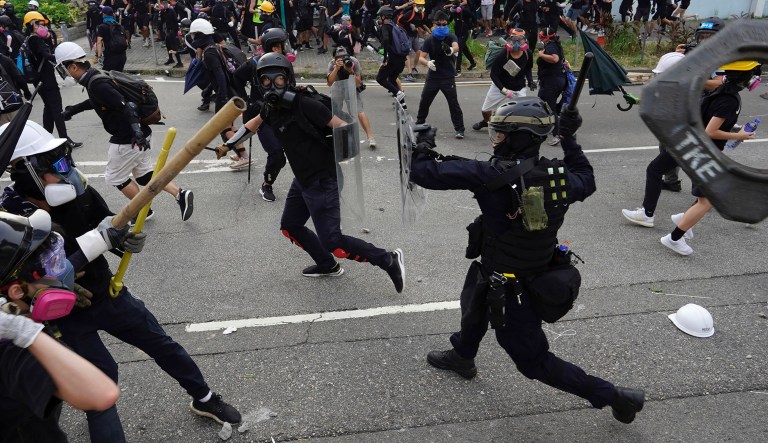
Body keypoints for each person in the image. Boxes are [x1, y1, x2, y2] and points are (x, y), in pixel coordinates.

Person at [409, 96, 646, 424]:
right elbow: (586, 178)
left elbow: (425, 172)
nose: (497, 139)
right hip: (520, 269)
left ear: (519, 137)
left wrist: (421, 143)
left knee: (533, 362)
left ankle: (613, 396)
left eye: (503, 133)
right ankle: (463, 355)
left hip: (512, 290)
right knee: (474, 301)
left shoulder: (488, 175)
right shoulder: (560, 176)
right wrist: (569, 137)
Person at [1, 121, 242, 441]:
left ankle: (206, 398)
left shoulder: (78, 193)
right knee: (102, 382)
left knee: (161, 343)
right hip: (63, 317)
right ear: (24, 172)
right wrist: (92, 247)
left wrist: (120, 240)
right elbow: (34, 282)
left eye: (66, 158)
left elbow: (109, 227)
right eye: (56, 164)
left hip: (106, 292)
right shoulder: (12, 225)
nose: (67, 170)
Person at [222, 53, 406, 290]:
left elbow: (343, 127)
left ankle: (388, 259)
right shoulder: (270, 107)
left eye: (277, 79)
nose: (272, 85)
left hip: (323, 179)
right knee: (291, 225)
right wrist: (227, 144)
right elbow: (253, 125)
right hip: (303, 179)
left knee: (334, 241)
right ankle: (326, 264)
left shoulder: (305, 104)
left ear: (287, 78)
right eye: (266, 81)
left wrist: (329, 151)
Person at [1, 211, 121, 442]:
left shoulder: (19, 305)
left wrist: (98, 241)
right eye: (51, 265)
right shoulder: (16, 349)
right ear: (16, 292)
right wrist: (23, 332)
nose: (62, 271)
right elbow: (101, 395)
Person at [624, 62, 762, 255]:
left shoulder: (720, 92)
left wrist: (734, 129)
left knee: (700, 191)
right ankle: (674, 237)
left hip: (687, 143)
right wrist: (739, 136)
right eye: (755, 74)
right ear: (747, 78)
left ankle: (678, 219)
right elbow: (711, 131)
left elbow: (708, 121)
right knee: (707, 199)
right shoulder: (730, 100)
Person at [55, 42, 194, 222]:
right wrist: (73, 110)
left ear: (73, 66)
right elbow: (101, 100)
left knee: (115, 177)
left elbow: (127, 106)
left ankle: (141, 210)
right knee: (144, 176)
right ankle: (180, 194)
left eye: (63, 69)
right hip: (140, 135)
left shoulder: (96, 83)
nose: (64, 74)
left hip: (128, 139)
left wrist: (136, 133)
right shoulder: (96, 76)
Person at [232, 27, 289, 199]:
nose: (284, 47)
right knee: (277, 155)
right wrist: (247, 101)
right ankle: (267, 185)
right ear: (273, 47)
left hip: (283, 115)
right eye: (281, 45)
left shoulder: (284, 62)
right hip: (262, 117)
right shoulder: (254, 63)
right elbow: (236, 78)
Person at [22, 11, 82, 150]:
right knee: (56, 110)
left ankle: (46, 138)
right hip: (46, 80)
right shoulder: (34, 40)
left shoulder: (34, 39)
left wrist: (49, 38)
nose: (43, 26)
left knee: (49, 109)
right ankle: (64, 140)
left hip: (42, 80)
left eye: (43, 23)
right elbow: (46, 55)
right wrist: (64, 57)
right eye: (39, 24)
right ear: (31, 25)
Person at [414, 10, 464, 138]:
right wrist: (428, 63)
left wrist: (451, 50)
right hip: (433, 77)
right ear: (434, 25)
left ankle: (460, 129)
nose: (442, 27)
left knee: (453, 103)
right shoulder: (429, 40)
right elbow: (421, 58)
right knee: (425, 101)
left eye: (444, 24)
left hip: (448, 76)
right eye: (439, 24)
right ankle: (420, 124)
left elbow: (456, 46)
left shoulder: (450, 37)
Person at [472, 28, 531, 131]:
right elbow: (493, 74)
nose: (517, 42)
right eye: (514, 39)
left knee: (522, 112)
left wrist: (530, 80)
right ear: (509, 39)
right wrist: (503, 90)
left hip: (518, 88)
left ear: (525, 40)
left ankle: (518, 130)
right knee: (485, 110)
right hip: (501, 86)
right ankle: (486, 122)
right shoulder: (503, 55)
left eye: (520, 39)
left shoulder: (527, 53)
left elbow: (528, 68)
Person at [327, 46, 376, 147]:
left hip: (351, 86)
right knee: (334, 111)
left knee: (359, 111)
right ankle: (336, 137)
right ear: (335, 59)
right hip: (338, 87)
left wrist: (350, 71)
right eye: (339, 58)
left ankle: (370, 137)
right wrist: (336, 69)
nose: (343, 60)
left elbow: (358, 83)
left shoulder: (354, 62)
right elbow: (329, 83)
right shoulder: (332, 64)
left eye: (345, 57)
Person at [536, 26, 566, 146]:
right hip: (552, 80)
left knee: (549, 108)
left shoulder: (551, 46)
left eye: (542, 36)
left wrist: (541, 55)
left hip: (552, 82)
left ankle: (557, 134)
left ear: (548, 37)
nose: (540, 38)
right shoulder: (552, 44)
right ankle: (548, 126)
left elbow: (555, 59)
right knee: (542, 103)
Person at [373, 5, 408, 109]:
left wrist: (384, 59)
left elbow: (386, 41)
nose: (379, 18)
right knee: (392, 80)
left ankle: (398, 92)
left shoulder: (385, 27)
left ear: (384, 17)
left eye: (380, 16)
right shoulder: (395, 26)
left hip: (392, 59)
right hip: (401, 59)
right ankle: (403, 104)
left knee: (380, 78)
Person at [0, 52, 31, 123]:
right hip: (13, 101)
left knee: (5, 133)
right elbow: (19, 77)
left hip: (1, 110)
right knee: (21, 129)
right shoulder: (6, 60)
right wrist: (26, 92)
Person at [447, 0, 476, 76]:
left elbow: (473, 17)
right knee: (464, 48)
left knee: (459, 49)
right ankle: (473, 63)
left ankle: (458, 70)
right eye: (452, 3)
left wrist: (474, 28)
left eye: (454, 3)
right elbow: (449, 20)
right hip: (457, 32)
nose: (452, 5)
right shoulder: (453, 11)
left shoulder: (464, 10)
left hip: (464, 32)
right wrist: (442, 24)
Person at [96, 6, 129, 71]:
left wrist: (99, 56)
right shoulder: (119, 26)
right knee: (118, 77)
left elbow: (99, 42)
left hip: (110, 56)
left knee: (109, 77)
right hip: (122, 56)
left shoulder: (102, 26)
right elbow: (126, 41)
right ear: (113, 14)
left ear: (104, 14)